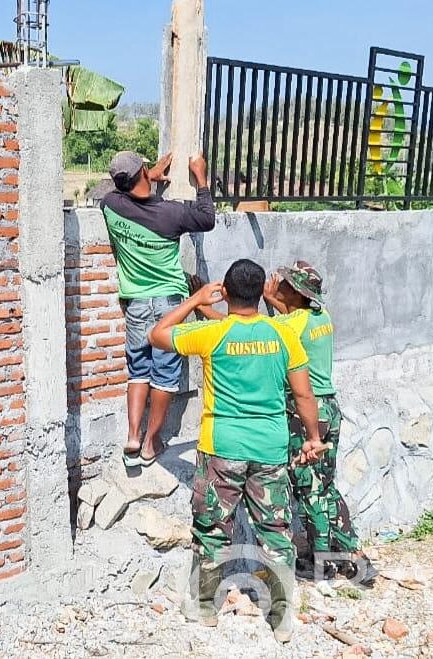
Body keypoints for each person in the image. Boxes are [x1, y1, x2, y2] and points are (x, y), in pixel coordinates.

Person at [148, 259, 323, 642]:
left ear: (225, 292)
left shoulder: (212, 334)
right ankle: (281, 618)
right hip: (270, 447)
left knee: (212, 529)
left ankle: (204, 608)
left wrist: (194, 298)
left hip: (221, 447)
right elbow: (304, 393)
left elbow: (157, 335)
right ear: (263, 293)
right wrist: (312, 437)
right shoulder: (283, 335)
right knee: (276, 532)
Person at [263, 261, 377, 586]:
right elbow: (291, 316)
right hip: (330, 407)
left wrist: (266, 300)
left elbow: (271, 330)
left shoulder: (291, 324)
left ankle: (320, 563)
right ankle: (351, 552)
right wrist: (274, 300)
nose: (279, 287)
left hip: (306, 410)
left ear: (296, 293)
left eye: (285, 285)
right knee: (325, 485)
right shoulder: (320, 317)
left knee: (307, 487)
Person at [101, 150, 215, 467]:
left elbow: (119, 192)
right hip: (169, 305)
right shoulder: (171, 214)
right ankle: (152, 444)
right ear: (143, 171)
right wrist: (200, 176)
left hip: (135, 303)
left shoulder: (111, 206)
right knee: (164, 375)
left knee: (138, 372)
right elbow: (207, 218)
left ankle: (133, 437)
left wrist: (145, 178)